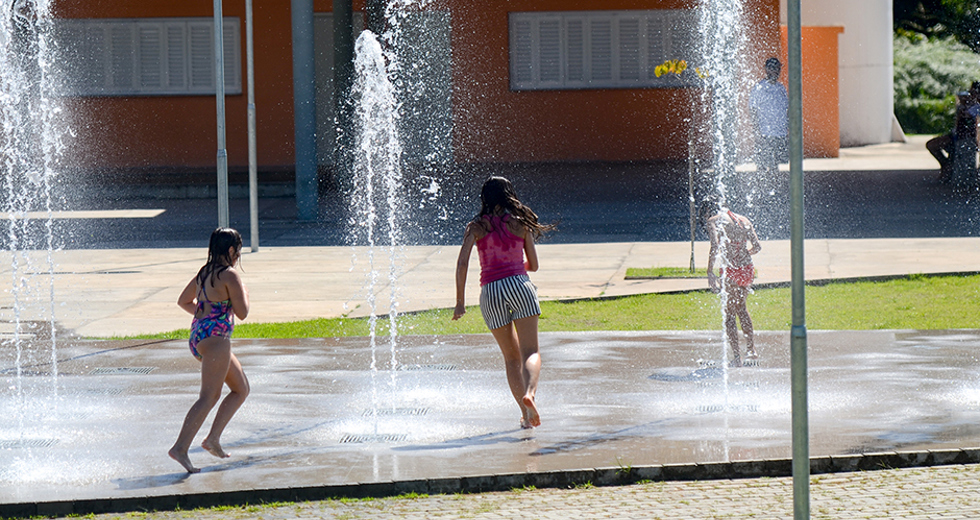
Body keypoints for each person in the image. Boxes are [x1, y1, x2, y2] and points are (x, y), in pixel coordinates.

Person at [452, 177, 552, 429]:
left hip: (491, 291)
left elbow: (462, 264)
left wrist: (460, 302)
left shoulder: (475, 226)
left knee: (510, 358)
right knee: (531, 351)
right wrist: (516, 269)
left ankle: (525, 414)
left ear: (484, 198)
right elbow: (535, 266)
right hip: (520, 285)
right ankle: (530, 393)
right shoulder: (520, 222)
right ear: (509, 195)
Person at [169, 228, 250, 473]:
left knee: (241, 389)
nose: (238, 256)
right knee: (209, 396)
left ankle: (213, 439)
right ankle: (180, 448)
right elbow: (243, 312)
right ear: (231, 250)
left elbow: (183, 301)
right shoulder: (230, 276)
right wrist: (243, 290)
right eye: (238, 251)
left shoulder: (204, 273)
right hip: (216, 341)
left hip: (200, 337)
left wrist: (206, 316)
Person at [703, 201, 762, 367]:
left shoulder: (713, 221)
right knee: (742, 308)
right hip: (747, 269)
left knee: (729, 313)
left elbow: (715, 247)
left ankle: (737, 358)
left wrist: (709, 271)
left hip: (730, 270)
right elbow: (757, 247)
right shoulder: (744, 220)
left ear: (708, 209)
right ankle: (751, 350)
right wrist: (744, 253)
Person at [926, 81, 980, 182]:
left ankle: (947, 168)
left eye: (972, 92)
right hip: (957, 136)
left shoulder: (976, 107)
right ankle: (946, 166)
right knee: (932, 145)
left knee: (933, 145)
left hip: (964, 138)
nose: (970, 95)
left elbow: (974, 124)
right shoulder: (968, 105)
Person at [749, 58, 789, 178]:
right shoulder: (759, 88)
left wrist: (787, 128)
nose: (775, 71)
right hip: (764, 132)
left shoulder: (781, 88)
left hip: (779, 133)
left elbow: (786, 109)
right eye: (772, 68)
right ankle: (760, 187)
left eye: (777, 69)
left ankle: (775, 188)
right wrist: (756, 130)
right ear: (766, 70)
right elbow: (753, 110)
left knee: (776, 165)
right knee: (762, 164)